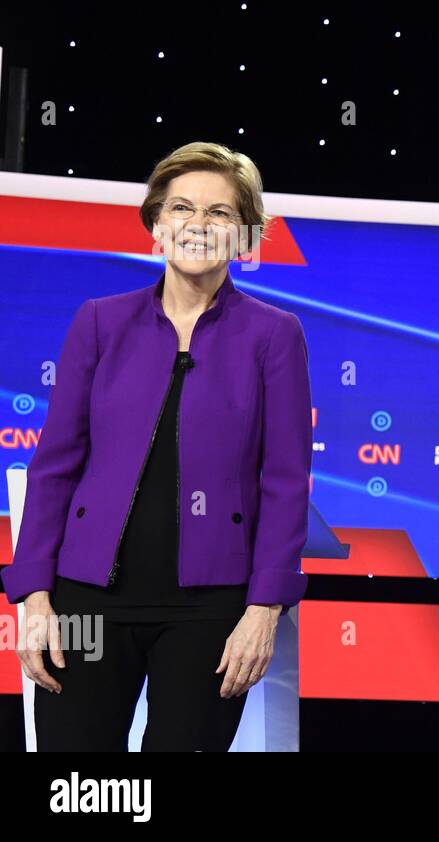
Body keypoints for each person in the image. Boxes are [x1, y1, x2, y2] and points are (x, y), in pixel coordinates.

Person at [3, 141, 313, 751]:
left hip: (211, 608)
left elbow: (284, 481)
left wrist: (265, 609)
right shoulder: (99, 321)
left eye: (220, 213)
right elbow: (55, 467)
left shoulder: (274, 336)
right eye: (181, 208)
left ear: (245, 234)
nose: (197, 225)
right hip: (86, 599)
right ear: (155, 223)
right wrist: (33, 596)